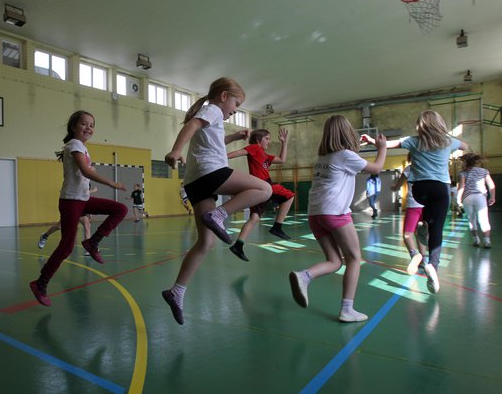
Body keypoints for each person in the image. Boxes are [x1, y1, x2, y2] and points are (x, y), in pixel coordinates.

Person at [161, 77, 272, 325]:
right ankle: (220, 214)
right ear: (223, 96)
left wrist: (232, 137)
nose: (235, 109)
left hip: (195, 181)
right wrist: (176, 150)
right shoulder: (211, 109)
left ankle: (176, 291)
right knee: (264, 189)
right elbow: (191, 126)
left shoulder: (212, 117)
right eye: (236, 103)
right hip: (209, 172)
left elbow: (210, 140)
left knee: (206, 242)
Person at [289, 115, 387, 323]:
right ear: (347, 133)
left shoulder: (323, 159)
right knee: (354, 259)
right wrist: (382, 147)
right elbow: (377, 168)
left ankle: (304, 276)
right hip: (335, 212)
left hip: (315, 214)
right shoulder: (345, 155)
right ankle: (347, 309)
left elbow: (350, 162)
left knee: (334, 261)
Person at [29, 110, 128, 307]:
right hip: (71, 201)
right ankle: (40, 283)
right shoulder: (74, 145)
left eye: (92, 125)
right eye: (84, 124)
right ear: (74, 126)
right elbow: (84, 170)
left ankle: (93, 242)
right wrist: (111, 183)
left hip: (83, 198)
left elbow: (83, 173)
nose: (88, 128)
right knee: (66, 246)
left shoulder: (82, 147)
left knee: (120, 209)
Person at [363, 110, 468, 293]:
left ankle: (422, 225)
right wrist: (449, 138)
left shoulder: (414, 140)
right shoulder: (448, 141)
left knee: (426, 215)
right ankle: (432, 266)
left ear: (420, 126)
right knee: (437, 230)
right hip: (440, 189)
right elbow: (465, 146)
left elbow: (389, 144)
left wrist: (373, 141)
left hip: (420, 190)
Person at [227, 128, 295, 261]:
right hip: (263, 184)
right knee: (289, 196)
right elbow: (241, 152)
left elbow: (282, 160)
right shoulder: (254, 148)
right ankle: (277, 227)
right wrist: (221, 157)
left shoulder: (264, 155)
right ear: (259, 140)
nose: (269, 142)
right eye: (267, 139)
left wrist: (284, 143)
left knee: (254, 218)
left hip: (259, 188)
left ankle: (238, 245)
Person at [38, 184, 99, 257]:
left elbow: (86, 198)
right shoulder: (73, 183)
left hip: (81, 207)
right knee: (59, 226)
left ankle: (89, 248)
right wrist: (92, 190)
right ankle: (45, 236)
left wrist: (89, 211)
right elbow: (84, 192)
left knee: (87, 225)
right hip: (71, 206)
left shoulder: (86, 183)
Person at [390, 153, 428, 268]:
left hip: (414, 205)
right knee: (421, 233)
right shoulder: (428, 168)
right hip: (427, 205)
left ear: (410, 158)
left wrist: (394, 187)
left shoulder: (409, 169)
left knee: (408, 233)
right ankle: (424, 259)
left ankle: (414, 254)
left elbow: (398, 185)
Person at [457, 152, 496, 248]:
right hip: (480, 196)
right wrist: (492, 197)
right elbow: (491, 185)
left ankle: (476, 240)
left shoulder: (463, 172)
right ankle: (487, 241)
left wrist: (458, 199)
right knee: (484, 219)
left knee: (471, 219)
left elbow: (462, 187)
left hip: (467, 197)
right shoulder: (484, 171)